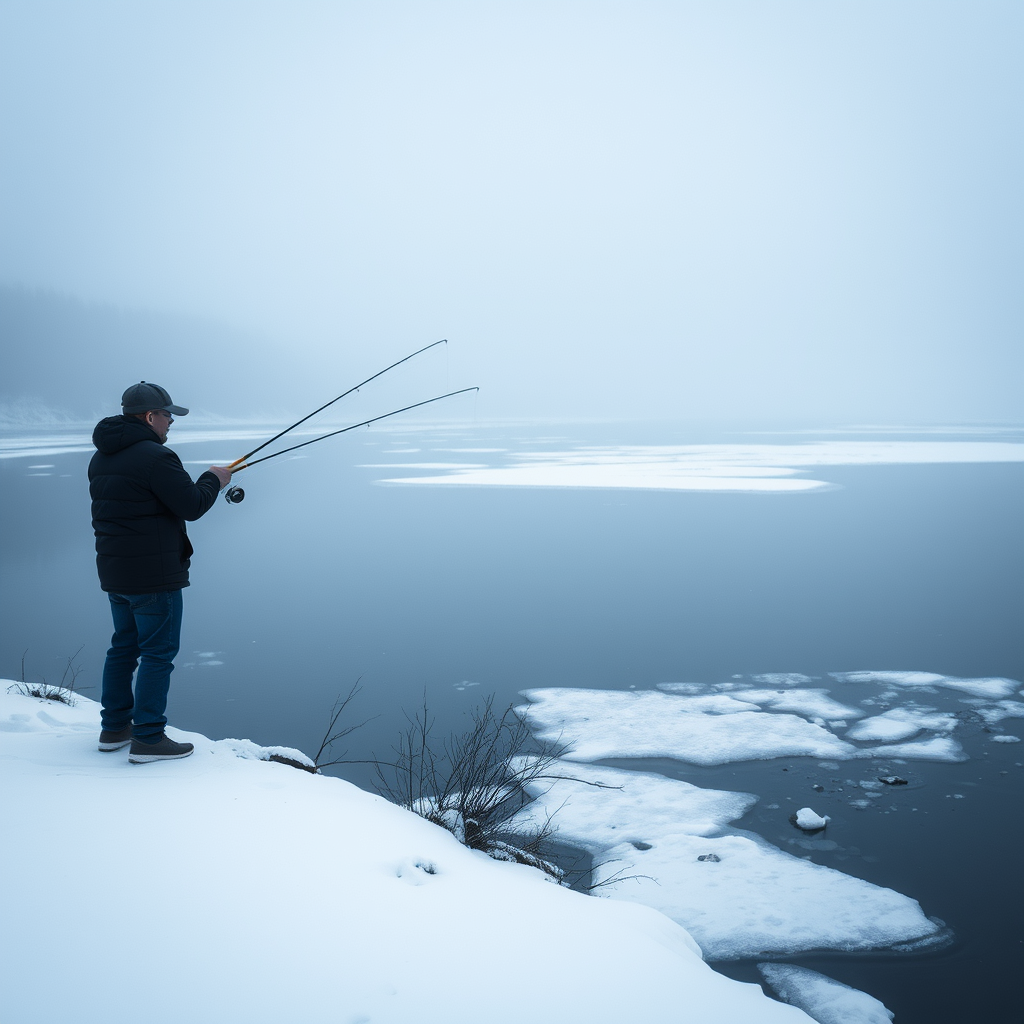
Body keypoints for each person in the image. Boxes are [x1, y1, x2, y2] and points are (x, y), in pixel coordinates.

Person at [89, 382, 232, 763]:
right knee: (158, 652)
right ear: (150, 416)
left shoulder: (101, 457)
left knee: (124, 648)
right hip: (154, 577)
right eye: (168, 415)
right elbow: (192, 505)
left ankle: (115, 728)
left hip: (116, 574)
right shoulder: (156, 457)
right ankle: (148, 738)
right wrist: (214, 478)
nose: (171, 423)